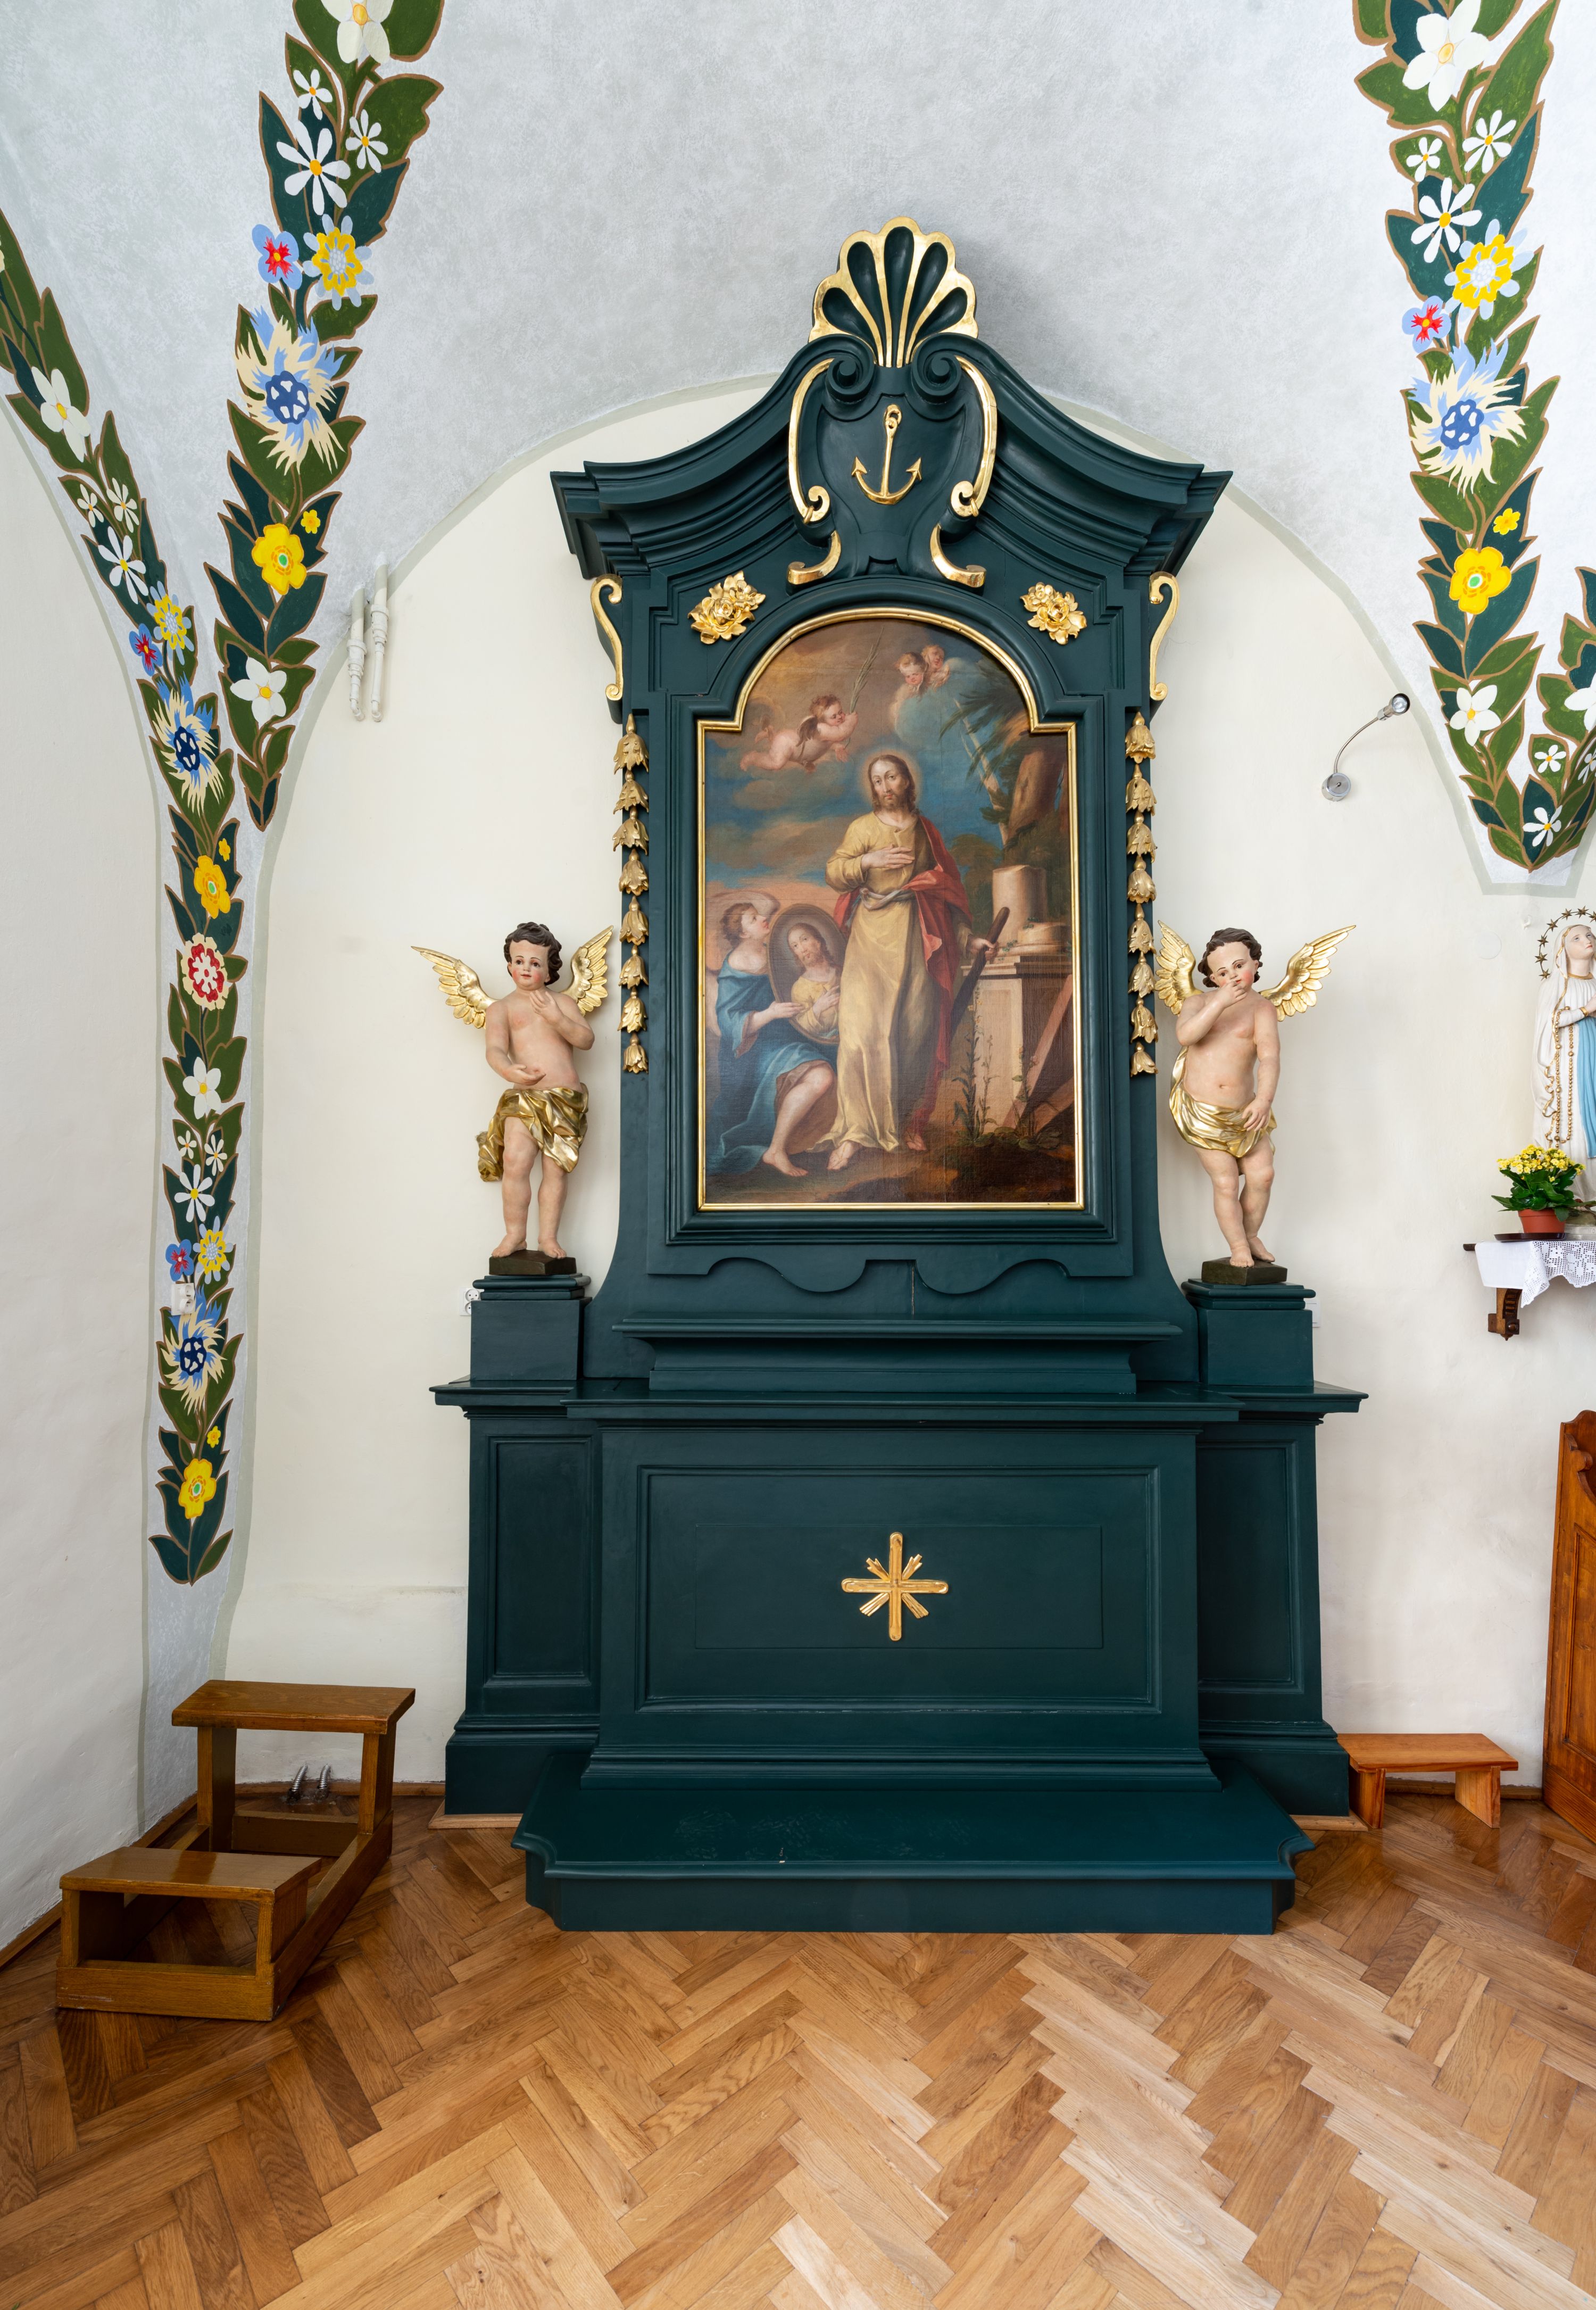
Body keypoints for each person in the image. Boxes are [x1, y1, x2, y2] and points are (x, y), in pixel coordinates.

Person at [822, 752, 991, 1168]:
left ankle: (907, 1122)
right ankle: (856, 1131)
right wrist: (868, 861)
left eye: (892, 777)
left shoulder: (925, 832)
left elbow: (946, 893)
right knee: (860, 1032)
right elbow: (835, 871)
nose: (885, 786)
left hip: (917, 939)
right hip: (869, 939)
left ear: (906, 781)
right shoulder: (862, 828)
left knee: (916, 1033)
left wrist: (968, 939)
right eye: (878, 780)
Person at [477, 921, 595, 1260]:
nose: (526, 968)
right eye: (519, 961)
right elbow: (494, 1050)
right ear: (509, 965)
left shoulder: (563, 1004)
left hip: (564, 1099)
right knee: (515, 1162)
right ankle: (515, 1235)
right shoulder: (501, 1008)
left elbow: (586, 1040)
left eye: (535, 963)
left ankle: (548, 1238)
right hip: (523, 1098)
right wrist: (508, 1070)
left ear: (549, 969)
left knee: (555, 1169)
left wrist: (557, 1019)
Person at [1170, 928, 1279, 1267]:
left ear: (1255, 963)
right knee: (1226, 1182)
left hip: (1246, 1112)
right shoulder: (1198, 1003)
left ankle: (1251, 1235)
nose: (1231, 976)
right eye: (1222, 973)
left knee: (1263, 1175)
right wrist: (1218, 1003)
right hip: (1202, 1113)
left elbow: (1270, 1059)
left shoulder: (1262, 1009)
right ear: (1213, 979)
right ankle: (1238, 1246)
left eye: (1239, 966)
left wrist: (1263, 1101)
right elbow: (1187, 1036)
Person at [708, 894, 836, 1178]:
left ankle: (795, 1142)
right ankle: (775, 1150)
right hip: (757, 1049)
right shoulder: (736, 965)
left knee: (834, 1065)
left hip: (791, 1035)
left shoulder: (770, 952)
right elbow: (728, 1023)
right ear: (743, 933)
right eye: (754, 919)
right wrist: (770, 1013)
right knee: (822, 1076)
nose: (763, 919)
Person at [1534, 920, 1596, 1193]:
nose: (1587, 940)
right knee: (1577, 1119)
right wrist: (1586, 1010)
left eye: (1590, 934)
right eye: (1577, 938)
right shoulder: (1557, 985)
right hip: (1571, 1066)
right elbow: (1550, 1021)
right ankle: (1580, 1193)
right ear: (1563, 949)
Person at [739, 693, 858, 775]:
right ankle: (753, 757)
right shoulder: (821, 728)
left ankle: (769, 732)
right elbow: (842, 734)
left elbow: (823, 744)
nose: (840, 717)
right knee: (776, 764)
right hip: (787, 743)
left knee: (777, 748)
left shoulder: (828, 731)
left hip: (791, 744)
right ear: (822, 720)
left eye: (840, 712)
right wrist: (851, 721)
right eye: (834, 716)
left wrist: (837, 747)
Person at [784, 921, 841, 1044]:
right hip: (826, 1045)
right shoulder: (800, 988)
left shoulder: (840, 973)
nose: (802, 949)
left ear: (818, 942)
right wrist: (818, 1008)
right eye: (796, 946)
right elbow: (802, 1028)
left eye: (804, 940)